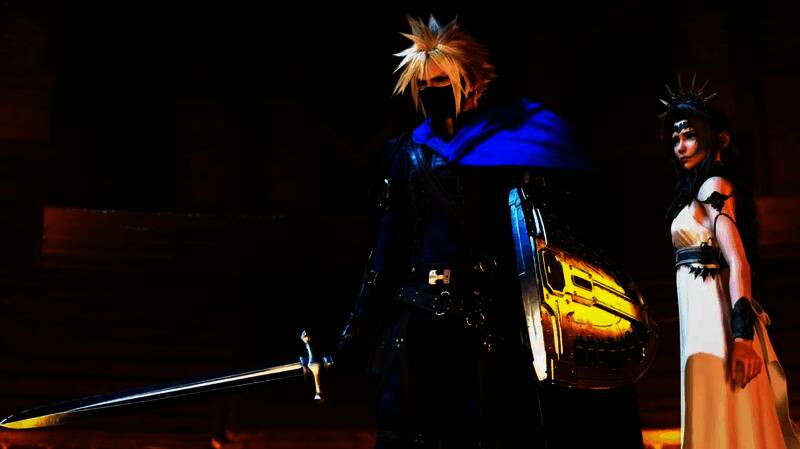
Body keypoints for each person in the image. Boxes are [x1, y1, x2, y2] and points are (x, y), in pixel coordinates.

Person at [338, 14, 646, 449]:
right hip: (419, 327)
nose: (432, 91)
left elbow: (565, 238)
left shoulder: (525, 145)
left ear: (474, 83)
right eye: (424, 85)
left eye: (442, 81)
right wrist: (353, 336)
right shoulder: (407, 153)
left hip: (493, 325)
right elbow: (387, 252)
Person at [662, 76, 800, 448]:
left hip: (715, 328)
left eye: (689, 135)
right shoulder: (702, 189)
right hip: (700, 322)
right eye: (675, 138)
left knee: (725, 416)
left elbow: (738, 262)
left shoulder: (714, 187)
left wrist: (741, 338)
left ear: (717, 139)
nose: (680, 146)